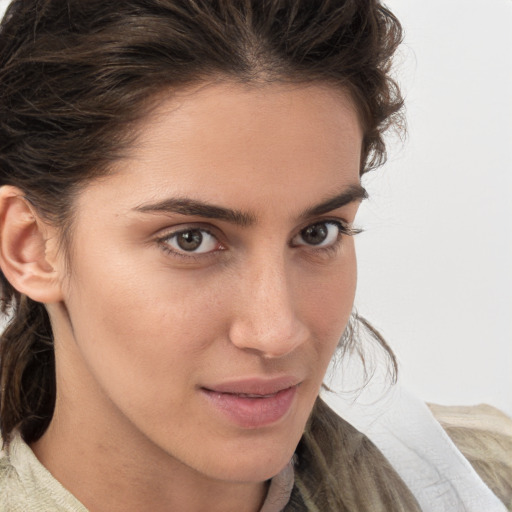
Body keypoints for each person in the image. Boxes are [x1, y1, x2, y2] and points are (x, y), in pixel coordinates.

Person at [0, 1, 510, 511]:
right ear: (29, 248)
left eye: (318, 232)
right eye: (191, 240)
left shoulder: (481, 485)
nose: (276, 332)